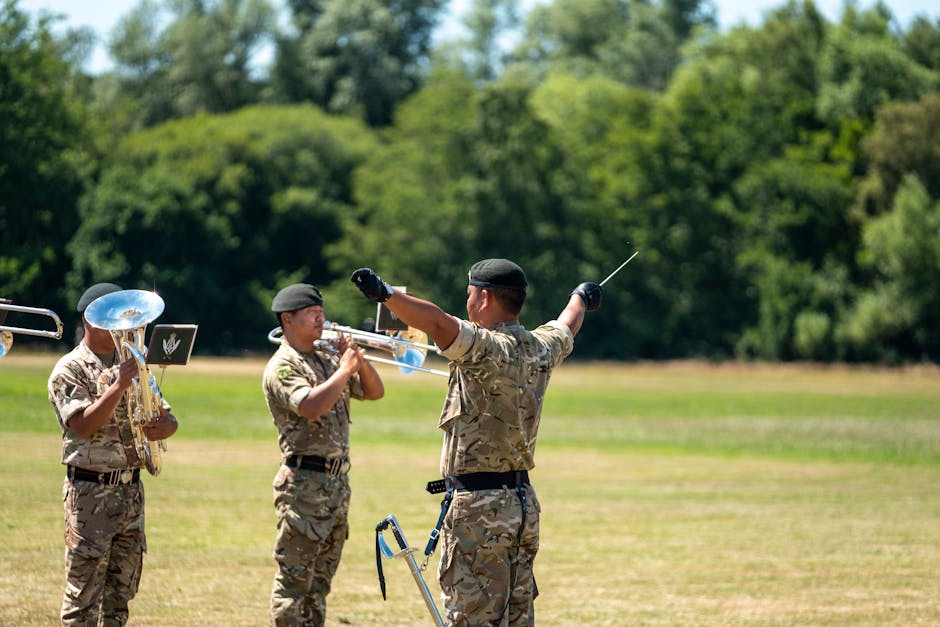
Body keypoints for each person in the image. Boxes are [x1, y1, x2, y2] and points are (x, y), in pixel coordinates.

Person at [351, 259, 602, 626]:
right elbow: (569, 321)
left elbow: (437, 322)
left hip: (477, 512)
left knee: (471, 618)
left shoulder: (486, 346)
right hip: (521, 507)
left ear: (484, 298)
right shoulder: (541, 347)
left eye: (469, 294)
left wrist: (385, 294)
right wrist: (582, 296)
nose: (467, 302)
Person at [47, 282, 179, 626]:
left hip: (130, 492)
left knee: (119, 597)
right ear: (90, 321)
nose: (123, 326)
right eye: (113, 318)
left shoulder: (133, 362)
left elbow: (165, 414)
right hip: (90, 495)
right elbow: (82, 427)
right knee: (83, 598)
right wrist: (119, 384)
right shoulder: (69, 369)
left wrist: (168, 426)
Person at [263, 283, 385, 626]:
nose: (322, 320)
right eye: (313, 315)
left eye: (321, 313)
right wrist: (345, 370)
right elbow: (311, 406)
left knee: (319, 585)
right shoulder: (283, 366)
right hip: (303, 485)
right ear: (288, 320)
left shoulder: (327, 357)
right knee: (294, 585)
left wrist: (357, 360)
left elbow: (375, 392)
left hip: (334, 485)